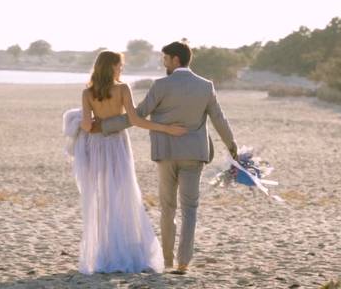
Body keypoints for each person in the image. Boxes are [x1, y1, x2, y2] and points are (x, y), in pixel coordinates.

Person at [97, 41, 238, 274]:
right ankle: (183, 262)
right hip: (194, 154)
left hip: (166, 153)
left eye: (165, 58)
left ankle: (167, 260)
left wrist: (104, 126)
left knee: (168, 207)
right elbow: (219, 119)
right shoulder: (205, 86)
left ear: (175, 59)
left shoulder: (161, 85)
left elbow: (138, 115)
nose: (163, 62)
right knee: (190, 208)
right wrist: (232, 147)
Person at [72, 50, 186, 274]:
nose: (121, 68)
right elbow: (135, 120)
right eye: (120, 65)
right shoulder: (123, 89)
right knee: (122, 193)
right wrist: (166, 128)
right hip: (117, 144)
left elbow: (86, 126)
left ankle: (105, 250)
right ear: (112, 66)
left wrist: (91, 121)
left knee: (103, 196)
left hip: (96, 146)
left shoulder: (87, 93)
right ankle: (123, 247)